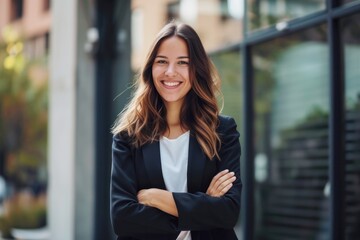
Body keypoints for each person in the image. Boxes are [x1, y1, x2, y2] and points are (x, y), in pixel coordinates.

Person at [110, 21, 242, 240]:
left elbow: (228, 212)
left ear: (196, 69)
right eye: (162, 61)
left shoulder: (223, 132)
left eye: (183, 63)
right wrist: (202, 205)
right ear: (151, 68)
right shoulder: (128, 137)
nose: (171, 72)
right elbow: (122, 217)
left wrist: (156, 197)